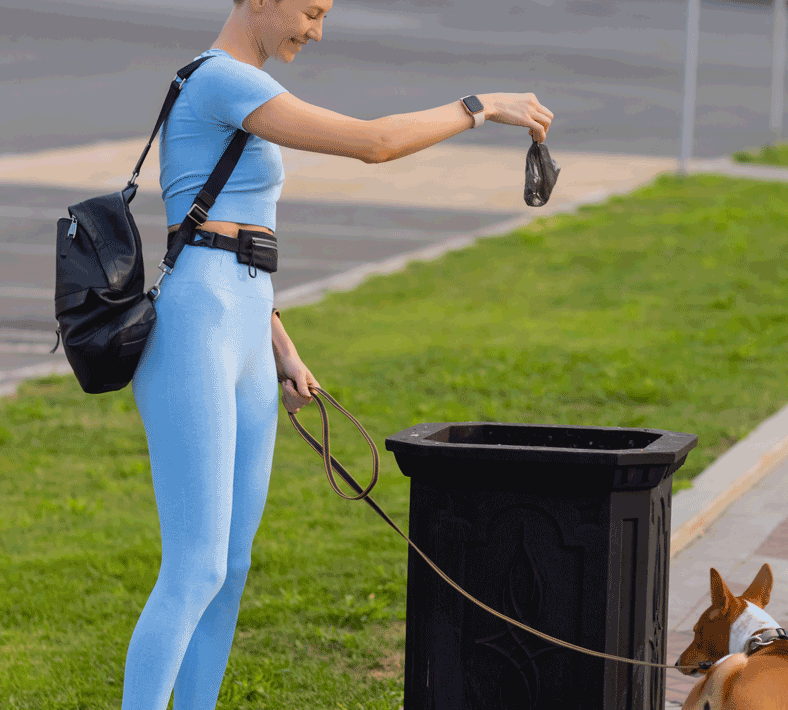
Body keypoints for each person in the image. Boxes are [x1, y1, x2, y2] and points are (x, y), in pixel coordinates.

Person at [123, 0, 553, 707]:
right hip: (197, 330)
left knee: (230, 567)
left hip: (244, 328)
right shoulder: (222, 80)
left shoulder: (243, 85)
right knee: (194, 568)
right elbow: (373, 142)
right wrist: (480, 106)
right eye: (311, 10)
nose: (317, 31)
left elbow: (237, 241)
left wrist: (283, 348)